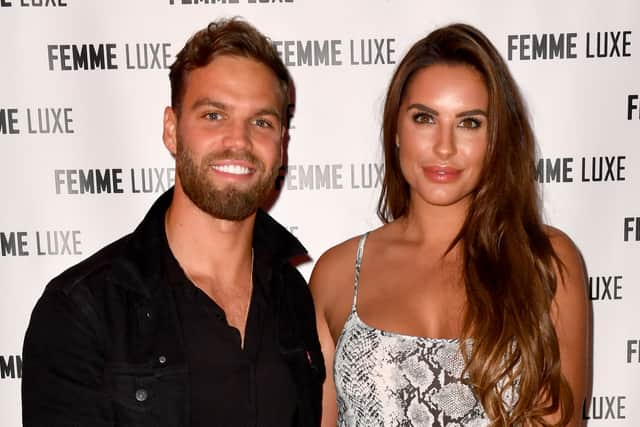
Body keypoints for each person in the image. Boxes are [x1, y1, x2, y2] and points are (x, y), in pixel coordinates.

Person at [22, 18, 324, 427]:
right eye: (214, 115)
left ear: (281, 145)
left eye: (261, 122)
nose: (239, 140)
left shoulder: (293, 296)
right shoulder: (83, 311)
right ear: (171, 130)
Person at [311, 23, 588, 427]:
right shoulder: (336, 274)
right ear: (395, 130)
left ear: (497, 139)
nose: (444, 147)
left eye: (469, 122)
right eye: (425, 118)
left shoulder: (545, 261)